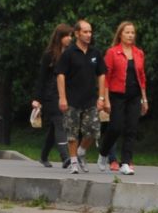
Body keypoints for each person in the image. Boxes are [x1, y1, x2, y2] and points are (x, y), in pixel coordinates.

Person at [57, 19, 108, 173]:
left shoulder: (95, 53)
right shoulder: (69, 53)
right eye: (85, 32)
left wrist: (101, 97)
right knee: (72, 132)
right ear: (77, 34)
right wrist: (62, 97)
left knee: (93, 130)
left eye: (90, 32)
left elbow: (102, 75)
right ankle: (73, 162)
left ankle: (81, 151)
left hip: (90, 99)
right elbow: (60, 75)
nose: (88, 35)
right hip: (72, 99)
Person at [101, 21, 148, 175]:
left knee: (131, 129)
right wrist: (105, 98)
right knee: (115, 127)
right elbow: (105, 77)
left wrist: (144, 99)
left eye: (132, 33)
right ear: (120, 34)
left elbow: (142, 77)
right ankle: (103, 152)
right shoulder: (112, 52)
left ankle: (126, 163)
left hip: (134, 95)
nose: (130, 35)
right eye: (127, 32)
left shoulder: (139, 53)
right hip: (117, 95)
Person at [34, 24, 72, 167]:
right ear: (59, 37)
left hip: (65, 93)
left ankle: (43, 155)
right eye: (67, 36)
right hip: (51, 94)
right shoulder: (49, 55)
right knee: (60, 122)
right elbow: (42, 78)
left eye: (71, 36)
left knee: (54, 128)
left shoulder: (71, 54)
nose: (69, 39)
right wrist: (37, 99)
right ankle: (65, 157)